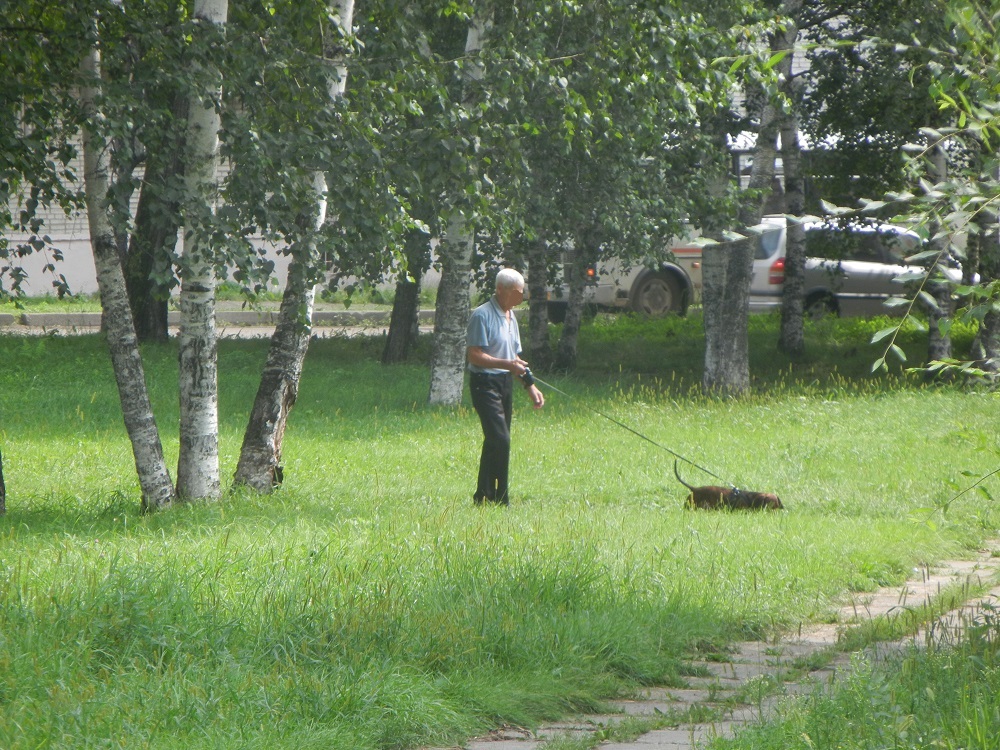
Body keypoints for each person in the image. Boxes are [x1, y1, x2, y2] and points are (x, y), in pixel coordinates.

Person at [466, 268, 544, 506]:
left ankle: (483, 495)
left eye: (522, 293)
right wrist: (507, 364)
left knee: (495, 440)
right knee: (501, 439)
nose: (520, 299)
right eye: (516, 293)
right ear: (500, 289)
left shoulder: (512, 317)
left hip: (505, 383)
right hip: (484, 383)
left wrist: (530, 386)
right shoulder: (482, 315)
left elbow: (516, 357)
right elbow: (474, 355)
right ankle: (502, 497)